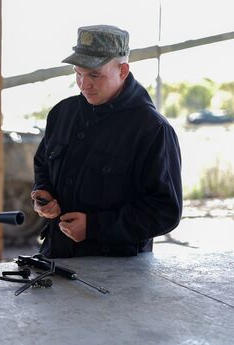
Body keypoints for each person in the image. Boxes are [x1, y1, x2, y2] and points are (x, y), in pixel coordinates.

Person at [32, 25, 182, 258]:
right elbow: (43, 163)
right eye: (78, 73)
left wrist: (95, 227)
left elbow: (165, 211)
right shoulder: (63, 113)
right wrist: (43, 193)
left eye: (94, 75)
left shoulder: (152, 129)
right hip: (56, 256)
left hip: (119, 272)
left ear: (123, 71)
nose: (84, 84)